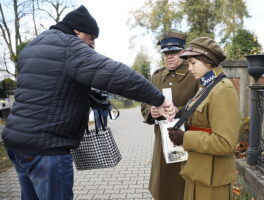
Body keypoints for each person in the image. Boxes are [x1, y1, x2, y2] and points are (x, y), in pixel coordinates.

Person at [2, 5, 175, 200]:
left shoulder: (33, 46)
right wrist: (158, 99)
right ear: (76, 30)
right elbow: (117, 75)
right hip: (46, 149)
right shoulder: (70, 47)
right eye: (91, 37)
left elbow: (46, 87)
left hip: (16, 142)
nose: (92, 44)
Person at [168, 37, 240, 200]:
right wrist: (177, 113)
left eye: (193, 63)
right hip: (197, 171)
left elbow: (225, 143)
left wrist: (185, 138)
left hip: (213, 179)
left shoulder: (222, 89)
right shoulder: (207, 86)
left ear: (208, 61)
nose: (189, 68)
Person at [141, 31, 199, 200]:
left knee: (184, 185)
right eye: (166, 53)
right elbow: (145, 102)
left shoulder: (193, 74)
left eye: (173, 52)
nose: (169, 57)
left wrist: (179, 111)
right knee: (163, 185)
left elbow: (203, 104)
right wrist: (152, 112)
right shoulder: (157, 76)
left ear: (183, 52)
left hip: (187, 137)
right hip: (163, 140)